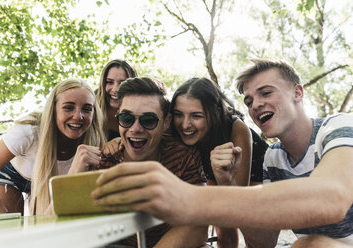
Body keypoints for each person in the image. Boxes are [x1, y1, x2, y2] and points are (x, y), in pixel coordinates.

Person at [91, 59, 353, 247]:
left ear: (298, 92)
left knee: (312, 243)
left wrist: (191, 199)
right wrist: (226, 183)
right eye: (248, 100)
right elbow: (263, 243)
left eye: (266, 92)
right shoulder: (275, 158)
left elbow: (332, 197)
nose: (256, 104)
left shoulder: (338, 126)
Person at [98, 77, 208, 248]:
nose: (135, 128)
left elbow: (199, 224)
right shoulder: (106, 161)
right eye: (127, 118)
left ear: (166, 123)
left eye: (148, 120)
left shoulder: (183, 157)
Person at [0, 79, 105, 215]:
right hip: (12, 175)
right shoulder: (28, 132)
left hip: (47, 179)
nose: (78, 116)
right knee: (8, 230)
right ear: (53, 110)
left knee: (43, 229)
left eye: (87, 109)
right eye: (68, 107)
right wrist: (3, 218)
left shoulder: (93, 139)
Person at [170, 77, 269, 247]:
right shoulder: (171, 128)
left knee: (239, 220)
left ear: (215, 112)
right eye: (179, 114)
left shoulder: (237, 129)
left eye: (196, 116)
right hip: (210, 169)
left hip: (252, 170)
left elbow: (236, 197)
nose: (185, 124)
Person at [96, 59, 137, 140]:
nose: (115, 89)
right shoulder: (92, 108)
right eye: (110, 82)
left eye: (122, 83)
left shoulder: (142, 111)